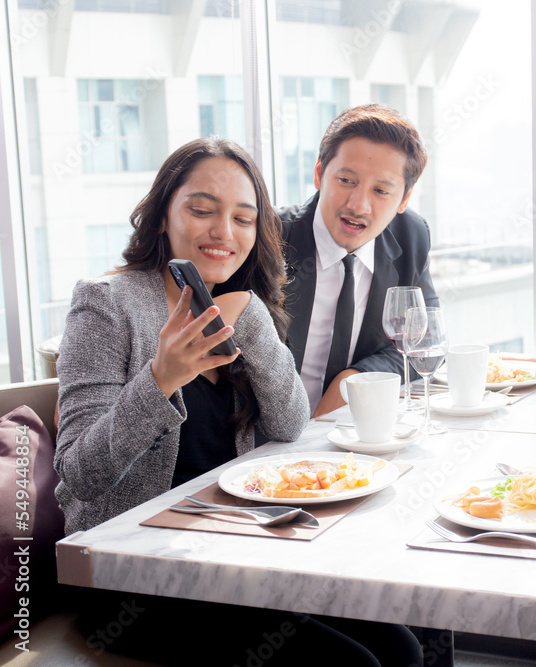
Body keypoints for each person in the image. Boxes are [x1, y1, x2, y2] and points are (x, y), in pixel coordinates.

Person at [53, 137, 421, 666]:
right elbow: (81, 475)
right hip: (132, 574)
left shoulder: (240, 301)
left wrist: (251, 317)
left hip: (234, 553)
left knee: (403, 645)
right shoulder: (107, 306)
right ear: (162, 216)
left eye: (243, 219)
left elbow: (291, 423)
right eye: (202, 210)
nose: (223, 232)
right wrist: (161, 379)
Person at [279, 103, 439, 417]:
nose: (359, 205)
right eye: (347, 181)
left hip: (355, 437)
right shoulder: (270, 238)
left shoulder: (410, 237)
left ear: (404, 198)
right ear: (319, 174)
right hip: (263, 445)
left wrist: (353, 382)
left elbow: (425, 340)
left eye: (381, 190)